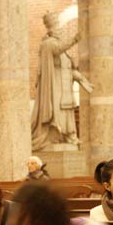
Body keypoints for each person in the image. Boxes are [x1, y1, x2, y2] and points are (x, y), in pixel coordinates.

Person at [31, 11, 93, 151]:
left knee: (67, 111)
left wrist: (82, 80)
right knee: (57, 111)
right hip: (54, 86)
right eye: (57, 27)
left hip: (66, 87)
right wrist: (74, 39)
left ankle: (68, 135)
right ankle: (54, 135)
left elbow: (69, 69)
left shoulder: (64, 52)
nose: (60, 30)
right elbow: (58, 48)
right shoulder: (48, 44)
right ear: (51, 29)